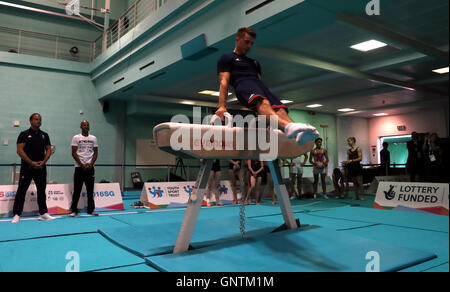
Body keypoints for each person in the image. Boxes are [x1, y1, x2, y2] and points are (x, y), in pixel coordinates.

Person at [215, 27, 319, 147]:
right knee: (263, 102)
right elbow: (224, 81)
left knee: (279, 109)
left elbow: (259, 81)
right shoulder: (227, 58)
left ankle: (299, 134)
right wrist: (222, 106)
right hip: (243, 84)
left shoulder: (254, 62)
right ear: (237, 40)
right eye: (246, 42)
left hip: (259, 86)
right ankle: (288, 127)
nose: (249, 46)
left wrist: (264, 115)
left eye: (251, 43)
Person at [11, 113, 55, 223]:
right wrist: (31, 163)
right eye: (36, 119)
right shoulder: (24, 134)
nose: (38, 121)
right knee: (22, 190)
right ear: (30, 121)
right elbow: (19, 150)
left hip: (40, 168)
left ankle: (43, 213)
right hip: (27, 167)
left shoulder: (45, 135)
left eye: (40, 119)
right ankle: (17, 214)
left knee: (41, 190)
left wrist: (43, 162)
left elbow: (49, 149)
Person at [70, 120, 99, 217]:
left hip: (90, 168)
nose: (86, 126)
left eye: (87, 125)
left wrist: (91, 163)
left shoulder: (94, 138)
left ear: (89, 127)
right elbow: (74, 153)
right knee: (77, 190)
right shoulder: (76, 138)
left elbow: (95, 153)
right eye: (84, 125)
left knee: (90, 190)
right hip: (79, 168)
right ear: (81, 127)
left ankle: (91, 210)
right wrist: (82, 164)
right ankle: (74, 210)